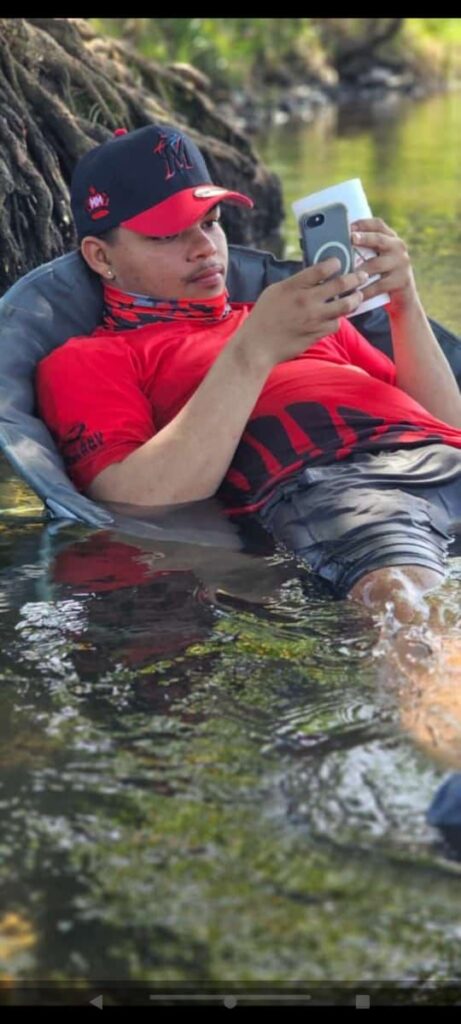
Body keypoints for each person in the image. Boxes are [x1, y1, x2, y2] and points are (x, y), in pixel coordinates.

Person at [36, 122, 461, 625]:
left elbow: (445, 424)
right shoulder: (91, 358)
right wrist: (253, 350)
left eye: (211, 222)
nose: (204, 247)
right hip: (342, 485)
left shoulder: (288, 314)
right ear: (100, 256)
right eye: (168, 234)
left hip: (442, 460)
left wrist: (404, 304)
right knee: (401, 604)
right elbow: (138, 501)